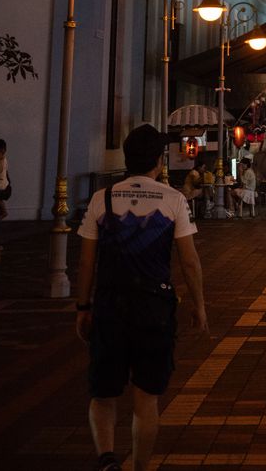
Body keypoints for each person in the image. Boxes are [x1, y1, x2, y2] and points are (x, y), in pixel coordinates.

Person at [75, 123, 208, 471]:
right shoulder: (174, 199)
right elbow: (189, 261)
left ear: (126, 158)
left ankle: (106, 457)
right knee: (147, 397)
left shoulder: (101, 199)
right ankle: (140, 465)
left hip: (109, 307)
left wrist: (83, 306)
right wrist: (199, 306)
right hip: (154, 310)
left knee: (103, 393)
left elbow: (87, 261)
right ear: (159, 161)